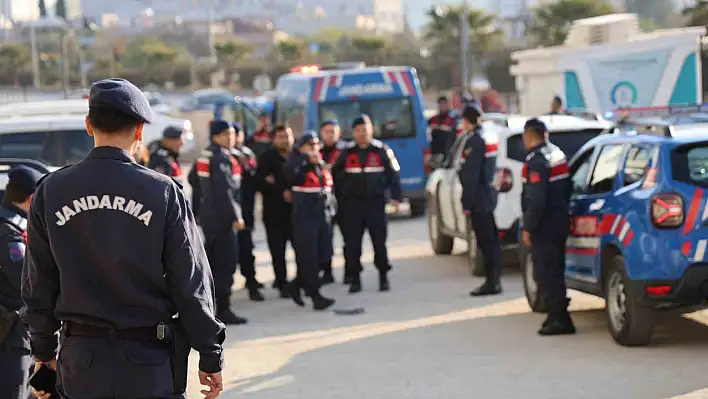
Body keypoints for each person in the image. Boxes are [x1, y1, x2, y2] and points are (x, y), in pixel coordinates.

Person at [20, 78, 225, 399]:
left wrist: (43, 352)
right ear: (140, 131)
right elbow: (191, 282)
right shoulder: (163, 191)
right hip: (150, 362)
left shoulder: (51, 190)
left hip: (82, 362)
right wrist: (210, 354)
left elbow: (38, 282)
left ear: (89, 125)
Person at [332, 115, 402, 294]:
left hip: (375, 203)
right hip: (352, 206)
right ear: (353, 132)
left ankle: (383, 277)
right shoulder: (347, 153)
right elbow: (335, 176)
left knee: (379, 242)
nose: (362, 134)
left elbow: (394, 175)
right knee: (353, 244)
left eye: (365, 130)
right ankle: (355, 279)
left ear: (371, 130)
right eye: (358, 131)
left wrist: (396, 197)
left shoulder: (382, 151)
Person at [521, 118, 575, 336]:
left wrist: (528, 226)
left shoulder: (537, 161)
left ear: (530, 136)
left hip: (545, 225)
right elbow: (567, 188)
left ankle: (559, 319)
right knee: (555, 270)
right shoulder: (557, 154)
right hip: (559, 220)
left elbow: (536, 198)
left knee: (546, 272)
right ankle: (557, 316)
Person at [196, 120, 248, 325]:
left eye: (232, 133)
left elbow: (195, 182)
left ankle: (210, 305)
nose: (231, 137)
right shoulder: (220, 157)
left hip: (210, 215)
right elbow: (225, 189)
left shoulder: (206, 154)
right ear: (216, 136)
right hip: (221, 218)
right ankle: (223, 309)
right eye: (225, 134)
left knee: (213, 261)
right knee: (225, 262)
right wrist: (236, 216)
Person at [0, 166, 42, 399]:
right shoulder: (9, 233)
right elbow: (23, 280)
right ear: (31, 197)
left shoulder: (13, 223)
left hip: (11, 324)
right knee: (15, 389)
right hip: (10, 327)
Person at [283, 131, 336, 311]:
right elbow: (291, 176)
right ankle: (315, 295)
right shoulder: (296, 163)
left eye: (316, 144)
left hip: (324, 217)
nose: (314, 148)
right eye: (309, 145)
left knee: (325, 255)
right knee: (309, 258)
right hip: (305, 219)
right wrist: (306, 162)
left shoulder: (321, 165)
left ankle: (295, 285)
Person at [458, 103, 503, 297]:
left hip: (479, 198)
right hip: (488, 195)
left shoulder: (475, 141)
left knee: (486, 241)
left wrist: (467, 203)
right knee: (491, 240)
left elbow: (471, 175)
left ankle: (492, 282)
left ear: (467, 121)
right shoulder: (489, 135)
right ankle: (494, 279)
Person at [255, 125, 294, 298]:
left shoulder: (297, 156)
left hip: (296, 213)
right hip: (274, 213)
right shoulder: (267, 157)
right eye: (280, 137)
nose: (284, 139)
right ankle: (282, 283)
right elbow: (259, 181)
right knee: (278, 251)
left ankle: (302, 281)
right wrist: (280, 189)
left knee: (302, 249)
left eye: (287, 136)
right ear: (274, 139)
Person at [231, 122, 265, 301]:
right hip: (230, 212)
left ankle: (251, 281)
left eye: (239, 133)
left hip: (247, 208)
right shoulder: (221, 156)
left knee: (247, 247)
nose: (236, 137)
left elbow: (255, 177)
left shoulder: (247, 153)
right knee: (229, 252)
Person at [319, 119, 348, 284]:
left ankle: (350, 272)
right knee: (325, 240)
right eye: (327, 131)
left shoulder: (346, 151)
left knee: (349, 239)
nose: (330, 135)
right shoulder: (318, 151)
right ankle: (327, 272)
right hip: (325, 202)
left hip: (345, 201)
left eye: (333, 131)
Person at [428, 96, 458, 163]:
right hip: (435, 153)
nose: (442, 106)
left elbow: (454, 135)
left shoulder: (452, 119)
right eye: (440, 104)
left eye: (444, 104)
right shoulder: (433, 119)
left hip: (448, 153)